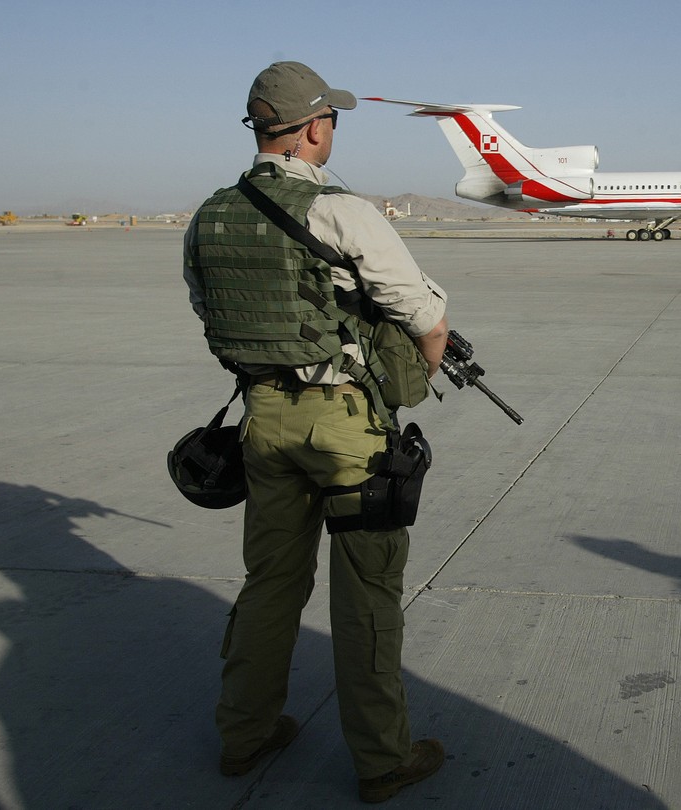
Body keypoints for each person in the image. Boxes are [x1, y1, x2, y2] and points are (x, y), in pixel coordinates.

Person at [182, 61, 449, 804]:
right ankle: (383, 759)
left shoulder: (212, 214)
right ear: (313, 128)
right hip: (344, 428)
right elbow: (425, 317)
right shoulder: (342, 210)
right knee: (366, 589)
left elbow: (209, 310)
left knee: (271, 584)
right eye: (331, 120)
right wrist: (408, 379)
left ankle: (245, 734)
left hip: (262, 420)